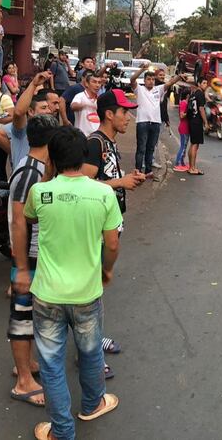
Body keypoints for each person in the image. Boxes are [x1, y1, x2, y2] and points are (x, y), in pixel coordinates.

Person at [14, 127, 122, 440]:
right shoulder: (103, 193)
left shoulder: (40, 192)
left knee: (51, 364)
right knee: (90, 353)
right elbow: (112, 243)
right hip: (87, 293)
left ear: (52, 157)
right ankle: (92, 404)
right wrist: (107, 270)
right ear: (83, 156)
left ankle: (62, 431)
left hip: (47, 294)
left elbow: (29, 219)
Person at [82, 89, 147, 374]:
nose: (128, 118)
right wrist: (121, 183)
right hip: (96, 227)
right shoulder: (94, 143)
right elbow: (82, 183)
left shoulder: (109, 142)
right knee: (91, 291)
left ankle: (94, 340)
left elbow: (107, 178)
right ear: (109, 114)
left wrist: (128, 180)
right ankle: (89, 354)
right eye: (124, 112)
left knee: (96, 290)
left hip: (110, 222)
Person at [6, 114, 60, 410]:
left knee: (29, 317)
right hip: (27, 256)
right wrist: (22, 269)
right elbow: (18, 221)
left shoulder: (38, 168)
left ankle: (25, 365)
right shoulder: (31, 172)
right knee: (22, 318)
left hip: (32, 255)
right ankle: (23, 381)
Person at [0, 72, 57, 169]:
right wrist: (33, 84)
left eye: (48, 107)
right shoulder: (23, 128)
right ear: (31, 111)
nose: (48, 111)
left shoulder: (51, 128)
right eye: (43, 108)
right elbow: (18, 112)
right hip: (25, 175)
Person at [128, 64, 182, 177]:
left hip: (155, 123)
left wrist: (179, 77)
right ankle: (138, 171)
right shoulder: (139, 89)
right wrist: (142, 69)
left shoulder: (158, 89)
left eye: (153, 79)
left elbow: (170, 83)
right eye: (148, 79)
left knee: (151, 148)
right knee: (141, 148)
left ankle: (148, 171)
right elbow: (132, 79)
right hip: (142, 122)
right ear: (144, 80)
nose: (151, 81)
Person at [187, 78, 210, 176]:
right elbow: (201, 109)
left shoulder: (194, 94)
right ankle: (192, 168)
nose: (205, 85)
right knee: (195, 145)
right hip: (196, 121)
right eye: (204, 83)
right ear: (199, 84)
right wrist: (205, 122)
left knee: (193, 144)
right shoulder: (200, 94)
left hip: (192, 120)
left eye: (206, 83)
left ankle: (191, 167)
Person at [70, 70, 104, 137]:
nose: (97, 85)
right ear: (87, 84)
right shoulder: (80, 96)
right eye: (94, 82)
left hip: (96, 136)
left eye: (99, 83)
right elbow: (73, 106)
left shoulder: (100, 99)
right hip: (82, 137)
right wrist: (85, 104)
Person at [174, 89, 190, 172]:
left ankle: (182, 162)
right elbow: (182, 115)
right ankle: (177, 163)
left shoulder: (186, 103)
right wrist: (189, 112)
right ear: (187, 95)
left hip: (186, 128)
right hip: (183, 127)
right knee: (183, 147)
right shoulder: (183, 103)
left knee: (185, 147)